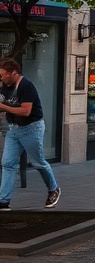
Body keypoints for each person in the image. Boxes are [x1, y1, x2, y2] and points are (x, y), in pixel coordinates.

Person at [0, 57, 60, 209]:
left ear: (13, 73)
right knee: (7, 163)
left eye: (3, 75)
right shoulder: (5, 86)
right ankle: (4, 200)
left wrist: (4, 107)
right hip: (14, 129)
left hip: (31, 128)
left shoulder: (26, 86)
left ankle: (53, 189)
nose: (1, 78)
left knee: (38, 162)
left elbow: (26, 111)